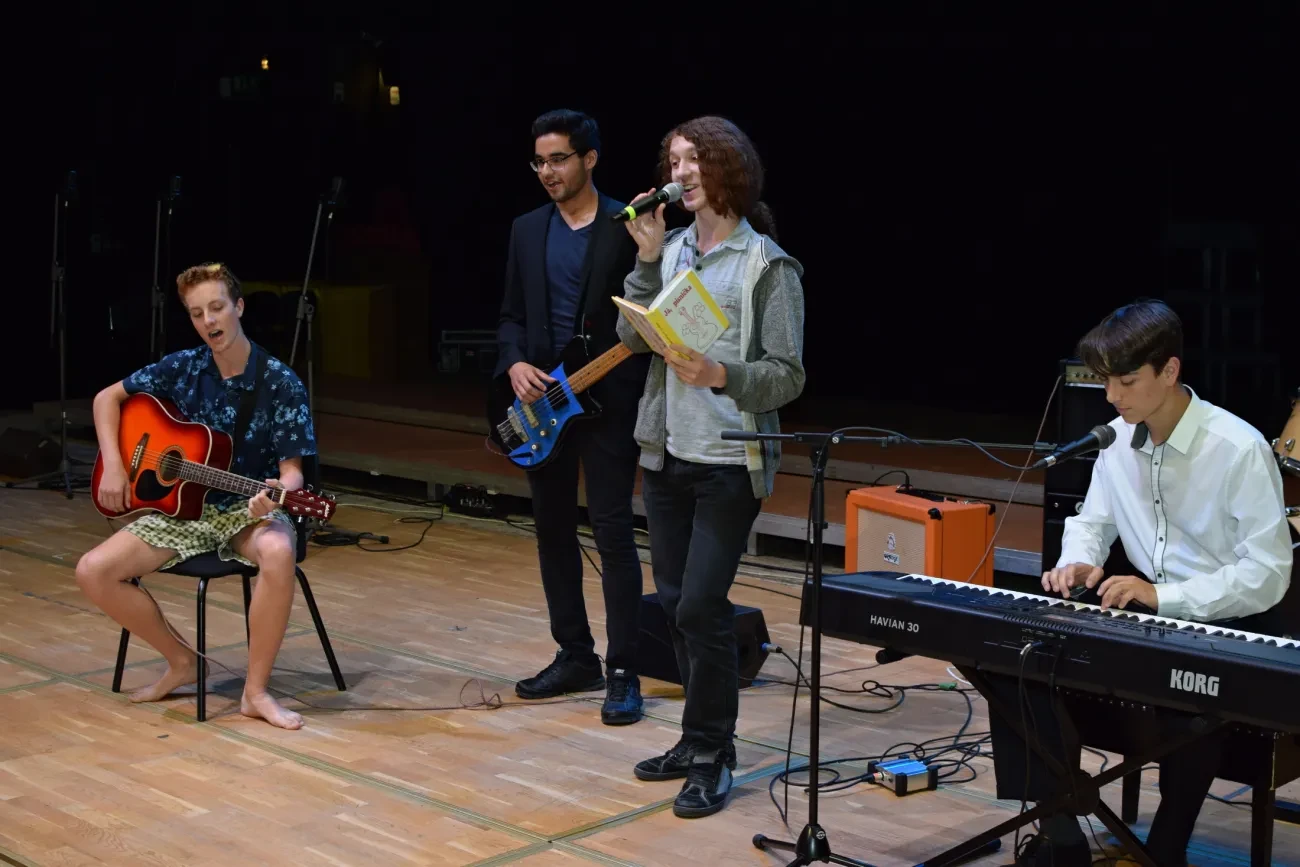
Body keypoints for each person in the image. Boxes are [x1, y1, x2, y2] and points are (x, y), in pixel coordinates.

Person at [995, 299, 1293, 865]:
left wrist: (1163, 596)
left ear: (1170, 370)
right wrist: (1079, 562)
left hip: (1228, 621)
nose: (1112, 396)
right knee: (1017, 657)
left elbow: (1268, 574)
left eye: (1127, 382)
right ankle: (1061, 834)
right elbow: (1091, 523)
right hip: (1148, 614)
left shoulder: (1238, 449)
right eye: (1106, 381)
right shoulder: (1115, 440)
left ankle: (1164, 853)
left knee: (1190, 690)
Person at [617, 116, 805, 818]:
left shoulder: (767, 266)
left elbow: (787, 375)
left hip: (729, 460)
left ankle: (713, 751)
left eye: (693, 158)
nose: (680, 172)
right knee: (673, 604)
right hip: (668, 454)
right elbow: (629, 337)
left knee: (701, 604)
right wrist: (644, 261)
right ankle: (694, 738)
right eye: (673, 160)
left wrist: (721, 373)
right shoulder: (670, 252)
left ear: (728, 167)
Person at [75, 262, 317, 731]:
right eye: (197, 313)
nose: (209, 321)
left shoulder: (280, 382)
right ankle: (183, 662)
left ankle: (255, 692)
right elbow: (107, 398)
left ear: (238, 307)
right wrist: (117, 466)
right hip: (185, 511)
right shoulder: (183, 366)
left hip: (248, 509)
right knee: (92, 571)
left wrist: (274, 496)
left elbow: (292, 477)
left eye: (217, 308)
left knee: (278, 549)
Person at [495, 109, 650, 725]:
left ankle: (625, 671)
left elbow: (647, 314)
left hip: (609, 401)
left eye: (558, 159)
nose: (547, 171)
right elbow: (511, 315)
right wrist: (514, 364)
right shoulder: (525, 229)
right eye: (539, 161)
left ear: (590, 158)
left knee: (613, 534)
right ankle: (575, 655)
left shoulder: (624, 226)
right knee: (553, 532)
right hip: (543, 405)